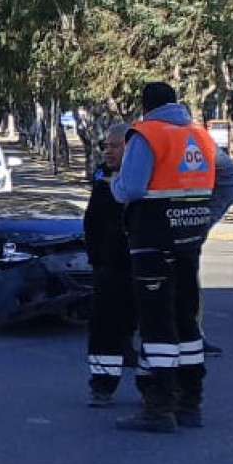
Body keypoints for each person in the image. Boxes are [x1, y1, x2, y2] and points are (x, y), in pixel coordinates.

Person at [110, 82, 233, 432]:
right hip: (187, 241)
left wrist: (113, 186)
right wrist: (205, 219)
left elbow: (133, 187)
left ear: (145, 107)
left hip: (152, 242)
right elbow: (232, 179)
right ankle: (190, 404)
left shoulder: (146, 134)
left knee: (156, 324)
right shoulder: (198, 137)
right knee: (186, 320)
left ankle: (159, 407)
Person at [83, 124, 136, 407]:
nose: (108, 151)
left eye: (114, 146)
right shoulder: (102, 175)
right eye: (106, 146)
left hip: (142, 264)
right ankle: (102, 386)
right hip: (109, 266)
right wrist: (96, 258)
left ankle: (153, 388)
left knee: (150, 328)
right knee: (104, 327)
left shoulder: (144, 177)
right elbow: (93, 220)